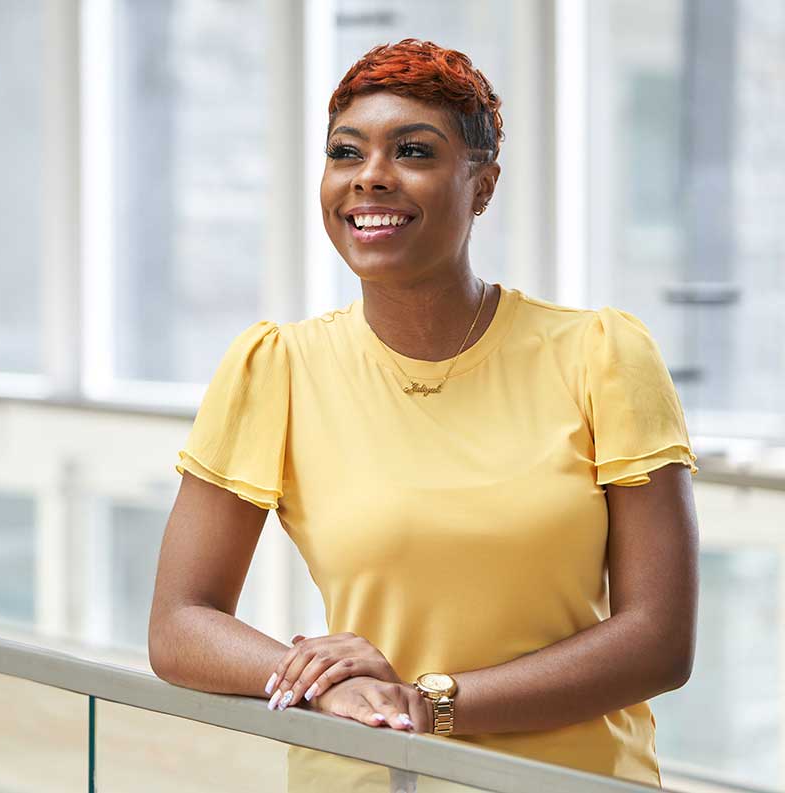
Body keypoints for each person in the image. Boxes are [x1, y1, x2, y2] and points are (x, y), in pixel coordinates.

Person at [149, 38, 699, 791]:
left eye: (413, 150)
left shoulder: (601, 354)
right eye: (346, 152)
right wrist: (318, 676)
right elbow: (179, 621)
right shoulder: (276, 368)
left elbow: (660, 639)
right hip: (360, 774)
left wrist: (431, 705)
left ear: (482, 185)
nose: (371, 176)